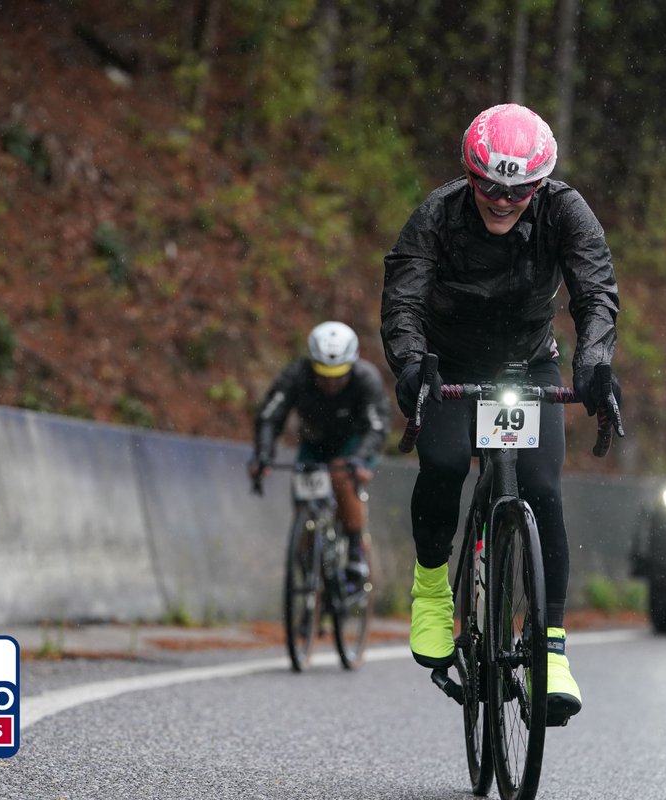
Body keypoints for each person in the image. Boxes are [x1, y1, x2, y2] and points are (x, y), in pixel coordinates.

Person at [380, 103, 623, 722]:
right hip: (448, 363)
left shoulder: (566, 210)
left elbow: (594, 290)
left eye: (519, 189)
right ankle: (434, 591)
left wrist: (593, 362)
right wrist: (411, 366)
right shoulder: (436, 214)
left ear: (540, 185)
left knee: (542, 488)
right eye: (488, 184)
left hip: (527, 363)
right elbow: (402, 297)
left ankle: (551, 650)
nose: (502, 198)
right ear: (469, 174)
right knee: (442, 463)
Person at [249, 321, 391, 579]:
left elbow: (378, 425)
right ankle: (307, 550)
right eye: (323, 371)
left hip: (355, 442)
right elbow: (270, 416)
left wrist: (359, 459)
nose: (331, 380)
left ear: (353, 363)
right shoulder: (296, 375)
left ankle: (356, 549)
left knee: (341, 476)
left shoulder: (366, 378)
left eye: (339, 372)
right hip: (315, 443)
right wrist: (264, 454)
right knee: (303, 497)